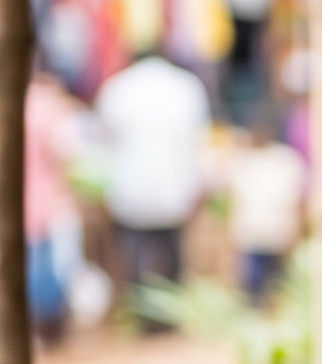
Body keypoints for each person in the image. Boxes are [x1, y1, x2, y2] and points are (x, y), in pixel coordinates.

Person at [94, 35, 212, 308]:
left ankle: (142, 311)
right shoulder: (186, 87)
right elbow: (200, 141)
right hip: (175, 187)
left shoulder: (118, 88)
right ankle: (171, 313)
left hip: (132, 190)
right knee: (174, 254)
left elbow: (102, 141)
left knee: (135, 255)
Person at [23, 65, 82, 345]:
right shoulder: (49, 107)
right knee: (47, 269)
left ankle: (34, 330)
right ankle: (49, 330)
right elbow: (67, 152)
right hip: (46, 204)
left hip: (22, 207)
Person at [223, 105, 306, 301]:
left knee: (277, 285)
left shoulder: (285, 160)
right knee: (254, 285)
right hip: (252, 233)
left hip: (276, 232)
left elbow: (297, 201)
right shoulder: (244, 161)